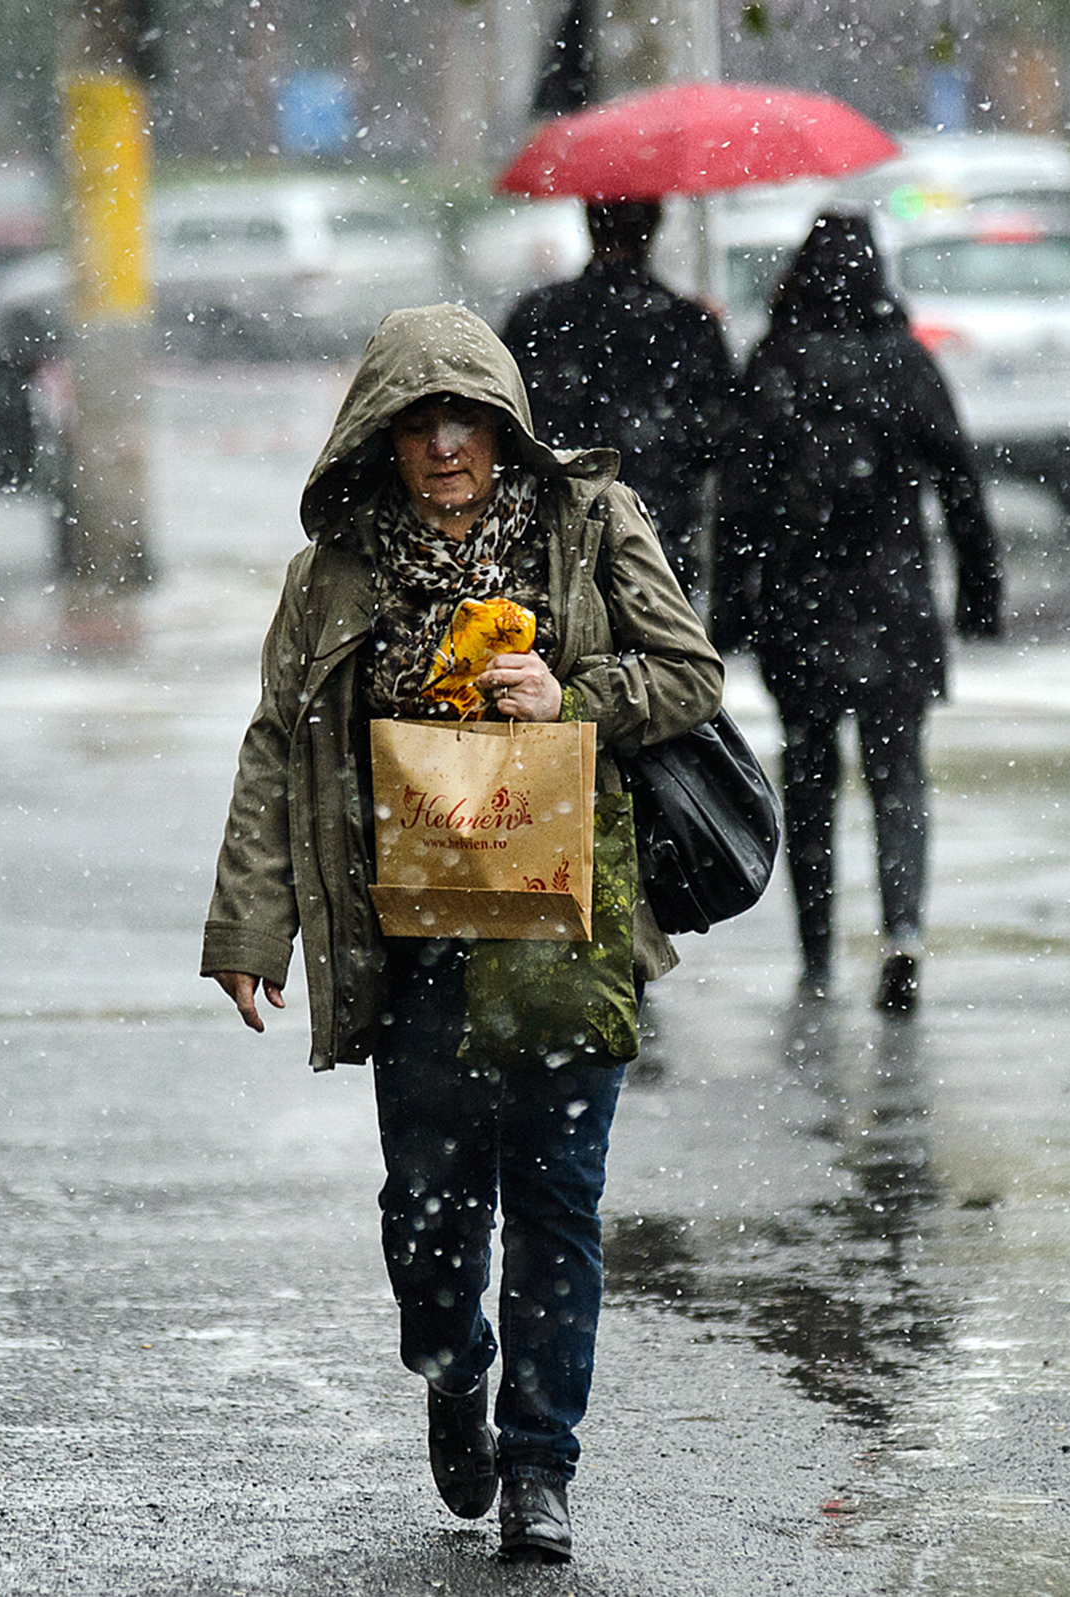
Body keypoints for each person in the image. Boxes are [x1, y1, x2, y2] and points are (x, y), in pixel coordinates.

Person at [201, 303, 722, 1564]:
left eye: (468, 421)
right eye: (417, 424)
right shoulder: (331, 576)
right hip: (412, 939)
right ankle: (454, 1371)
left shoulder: (592, 527)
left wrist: (572, 692)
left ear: (505, 428)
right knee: (430, 1217)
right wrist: (247, 923)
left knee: (558, 1203)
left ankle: (542, 1463)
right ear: (377, 439)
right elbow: (280, 745)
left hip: (564, 928)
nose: (444, 447)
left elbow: (690, 673)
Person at [714, 212, 1001, 1015]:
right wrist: (980, 593)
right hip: (894, 599)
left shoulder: (775, 363)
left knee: (808, 779)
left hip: (800, 606)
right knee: (898, 772)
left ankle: (816, 956)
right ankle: (902, 932)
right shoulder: (904, 361)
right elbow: (961, 477)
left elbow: (738, 504)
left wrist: (730, 610)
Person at [499, 197, 735, 593]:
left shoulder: (537, 316)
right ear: (655, 226)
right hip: (659, 535)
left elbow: (508, 417)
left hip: (556, 530)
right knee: (660, 648)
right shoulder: (686, 325)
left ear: (588, 221)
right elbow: (719, 434)